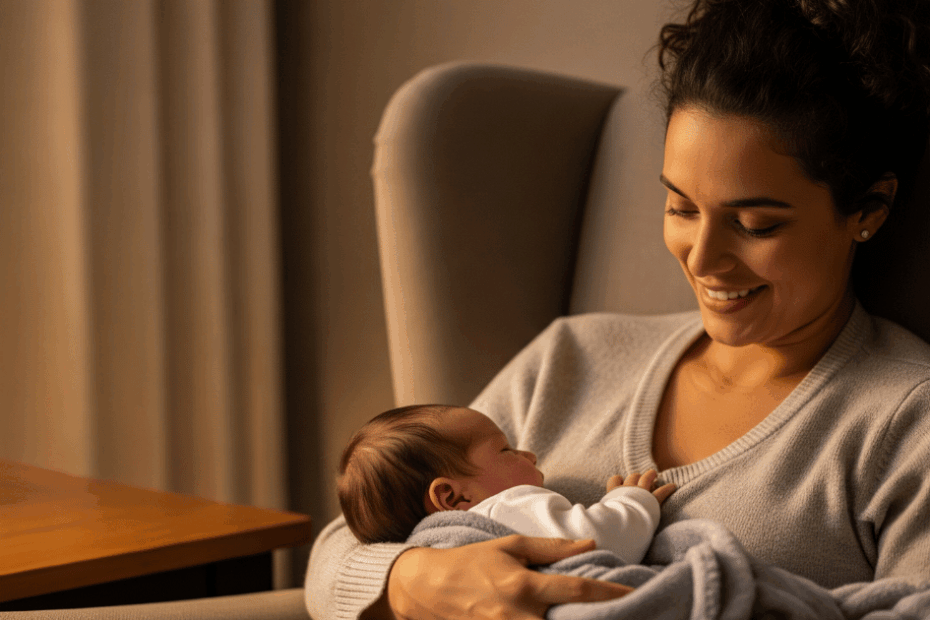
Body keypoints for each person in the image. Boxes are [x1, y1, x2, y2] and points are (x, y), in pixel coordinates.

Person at [306, 1, 930, 619]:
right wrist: (417, 579)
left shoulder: (904, 420)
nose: (703, 259)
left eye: (755, 224)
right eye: (681, 208)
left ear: (868, 211)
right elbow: (343, 546)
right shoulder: (572, 359)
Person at [337, 404, 675, 567]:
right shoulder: (503, 508)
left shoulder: (425, 552)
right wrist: (630, 500)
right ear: (453, 497)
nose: (529, 453)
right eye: (506, 450)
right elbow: (597, 543)